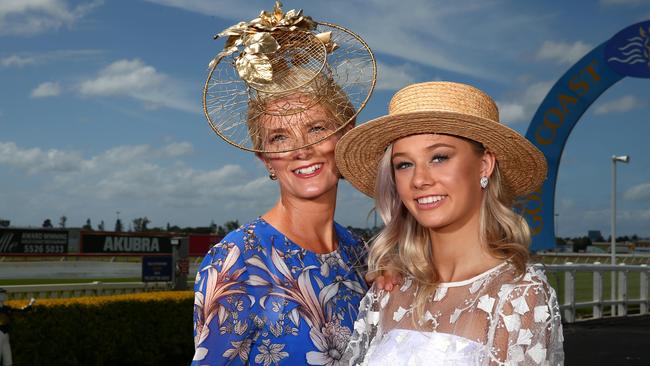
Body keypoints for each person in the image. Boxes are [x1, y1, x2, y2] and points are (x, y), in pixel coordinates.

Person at [192, 2, 377, 365]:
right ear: (265, 158)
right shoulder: (236, 261)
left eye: (317, 128)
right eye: (279, 138)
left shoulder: (360, 255)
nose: (301, 149)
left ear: (346, 135)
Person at [335, 81, 564, 365]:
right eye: (404, 164)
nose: (419, 179)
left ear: (484, 166)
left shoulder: (519, 296)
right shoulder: (389, 292)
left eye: (439, 158)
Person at [0, 289, 35, 366]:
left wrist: (30, 305)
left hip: (6, 335)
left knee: (8, 361)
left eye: (3, 294)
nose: (3, 296)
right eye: (1, 294)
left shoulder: (7, 308)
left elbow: (20, 311)